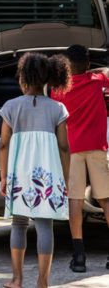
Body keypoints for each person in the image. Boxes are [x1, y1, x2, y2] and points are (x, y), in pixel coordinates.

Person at [0, 52, 71, 288]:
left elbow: (3, 144)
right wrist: (65, 178)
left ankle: (17, 279)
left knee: (18, 224)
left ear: (24, 79)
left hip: (19, 175)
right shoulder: (57, 108)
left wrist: (3, 176)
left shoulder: (11, 106)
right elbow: (64, 146)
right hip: (47, 178)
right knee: (44, 225)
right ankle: (43, 281)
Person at [51, 44, 109, 273]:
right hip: (97, 147)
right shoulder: (96, 80)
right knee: (105, 200)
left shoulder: (58, 89)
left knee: (74, 200)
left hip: (72, 150)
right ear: (87, 64)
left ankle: (79, 257)